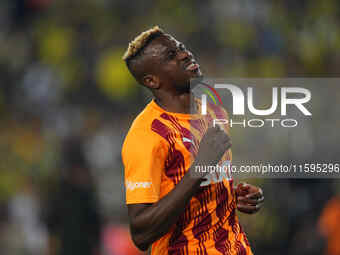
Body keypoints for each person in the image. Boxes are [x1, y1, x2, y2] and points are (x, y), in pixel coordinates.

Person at [121, 26, 264, 254]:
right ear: (152, 80)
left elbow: (196, 189)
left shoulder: (215, 113)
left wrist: (228, 196)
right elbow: (141, 233)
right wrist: (200, 168)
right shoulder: (147, 135)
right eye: (171, 56)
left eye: (181, 48)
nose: (184, 54)